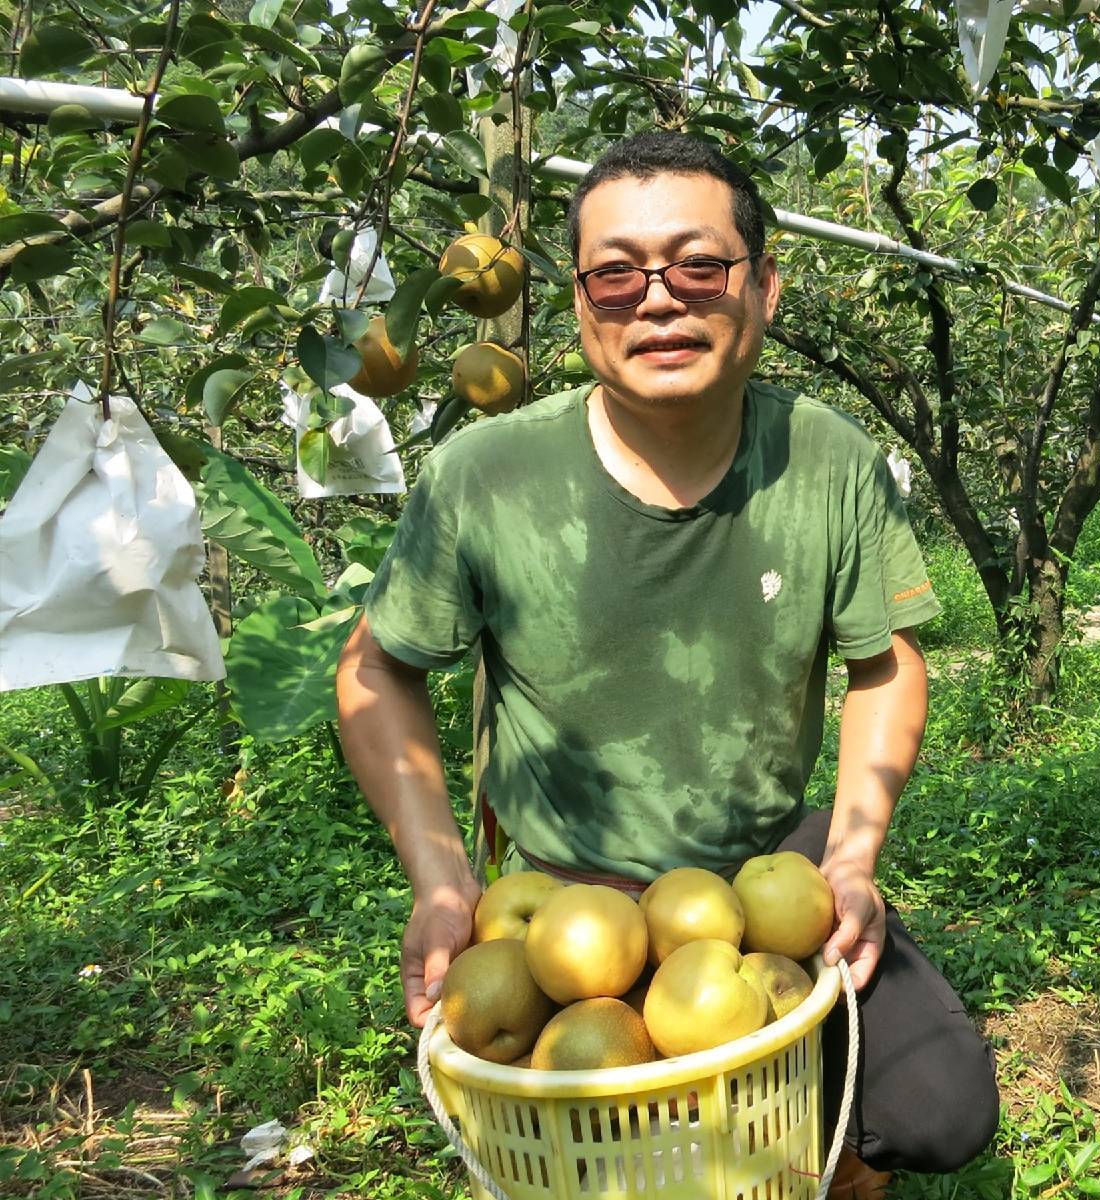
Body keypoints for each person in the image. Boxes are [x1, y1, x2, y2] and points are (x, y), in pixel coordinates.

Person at [335, 130, 999, 1192]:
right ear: (579, 302)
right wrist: (441, 876)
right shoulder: (488, 474)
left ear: (764, 287)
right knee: (618, 1156)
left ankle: (830, 1163)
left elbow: (886, 663)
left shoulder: (825, 457)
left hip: (768, 866)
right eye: (615, 274)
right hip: (569, 895)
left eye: (699, 265)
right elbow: (375, 671)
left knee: (937, 1108)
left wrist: (855, 858)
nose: (658, 299)